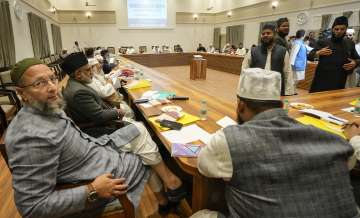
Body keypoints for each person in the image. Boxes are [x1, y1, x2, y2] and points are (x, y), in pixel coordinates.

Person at [6, 58, 186, 218]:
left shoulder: (45, 107)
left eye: (52, 79)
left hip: (96, 150)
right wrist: (91, 190)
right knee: (143, 154)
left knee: (138, 131)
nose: (53, 88)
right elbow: (32, 208)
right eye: (39, 83)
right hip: (99, 175)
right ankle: (169, 190)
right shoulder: (30, 137)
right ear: (21, 93)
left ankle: (165, 195)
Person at [190, 68, 360, 218]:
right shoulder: (334, 142)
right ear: (282, 106)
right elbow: (350, 160)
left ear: (241, 106)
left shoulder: (228, 140)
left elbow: (204, 166)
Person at [62, 52, 124, 137]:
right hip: (97, 130)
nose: (92, 72)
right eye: (88, 70)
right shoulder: (79, 93)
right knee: (140, 129)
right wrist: (117, 112)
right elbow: (100, 116)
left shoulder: (77, 83)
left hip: (102, 122)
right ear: (78, 74)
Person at [308, 16, 360, 93]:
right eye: (336, 29)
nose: (339, 31)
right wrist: (317, 53)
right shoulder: (323, 42)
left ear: (346, 29)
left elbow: (358, 59)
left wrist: (355, 63)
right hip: (321, 80)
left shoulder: (349, 43)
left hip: (340, 80)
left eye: (342, 29)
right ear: (332, 29)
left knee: (335, 102)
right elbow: (310, 56)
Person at [241, 23, 295, 96]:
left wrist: (288, 92)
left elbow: (288, 73)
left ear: (275, 35)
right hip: (256, 89)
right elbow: (244, 71)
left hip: (275, 90)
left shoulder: (283, 51)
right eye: (263, 34)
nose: (265, 35)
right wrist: (243, 90)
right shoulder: (253, 51)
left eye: (268, 33)